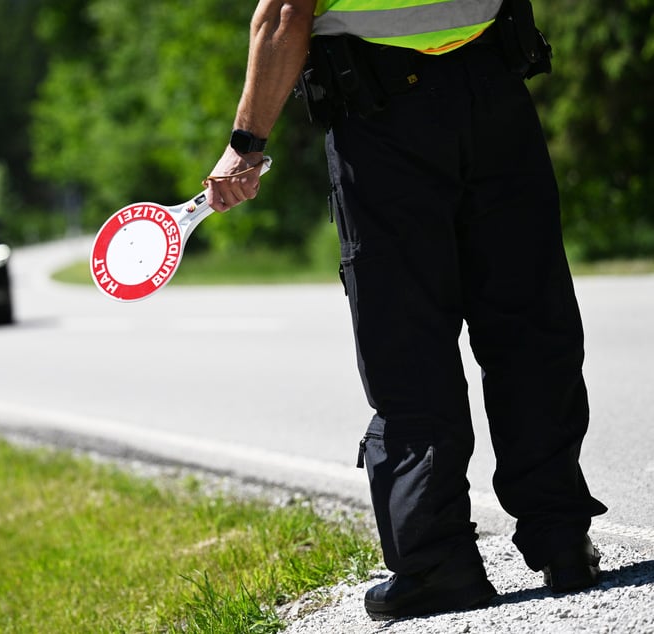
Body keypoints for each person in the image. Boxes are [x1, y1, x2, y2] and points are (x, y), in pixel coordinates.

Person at [204, 0, 608, 621]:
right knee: (528, 321)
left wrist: (246, 144)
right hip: (495, 92)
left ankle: (438, 564)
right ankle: (562, 539)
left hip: (384, 117)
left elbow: (286, 13)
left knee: (409, 342)